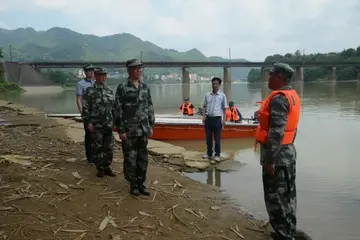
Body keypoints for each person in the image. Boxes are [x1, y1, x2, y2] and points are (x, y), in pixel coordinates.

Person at [255, 62, 301, 240]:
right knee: (288, 195)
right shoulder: (292, 95)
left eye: (271, 74)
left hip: (278, 156)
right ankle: (289, 231)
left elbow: (277, 131)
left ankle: (284, 235)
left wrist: (270, 160)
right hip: (288, 152)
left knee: (276, 199)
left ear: (280, 77)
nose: (268, 77)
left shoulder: (279, 98)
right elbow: (289, 126)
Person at [113, 58, 155, 197]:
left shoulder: (145, 87)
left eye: (140, 68)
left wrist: (151, 125)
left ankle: (141, 183)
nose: (139, 70)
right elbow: (117, 109)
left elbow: (150, 107)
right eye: (136, 68)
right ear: (129, 70)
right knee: (131, 159)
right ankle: (133, 184)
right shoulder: (122, 87)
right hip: (129, 130)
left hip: (143, 129)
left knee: (143, 159)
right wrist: (121, 130)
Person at [82, 67, 116, 178]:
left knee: (109, 148)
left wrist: (115, 121)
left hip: (108, 124)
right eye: (101, 75)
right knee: (97, 147)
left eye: (105, 75)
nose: (103, 77)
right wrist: (88, 123)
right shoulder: (90, 91)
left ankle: (107, 167)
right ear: (96, 76)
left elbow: (114, 108)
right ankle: (100, 168)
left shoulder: (109, 91)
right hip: (96, 124)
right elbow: (86, 108)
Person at [201, 77, 227, 161]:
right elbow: (204, 106)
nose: (214, 85)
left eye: (216, 84)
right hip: (208, 119)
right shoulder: (207, 95)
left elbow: (224, 108)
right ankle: (209, 154)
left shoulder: (222, 96)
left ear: (219, 85)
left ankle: (217, 155)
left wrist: (224, 120)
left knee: (217, 139)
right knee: (208, 138)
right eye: (213, 84)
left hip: (217, 120)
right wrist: (203, 116)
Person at [76, 64, 96, 163]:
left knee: (98, 135)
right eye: (89, 70)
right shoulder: (81, 84)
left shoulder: (97, 82)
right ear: (85, 72)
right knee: (89, 135)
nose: (91, 72)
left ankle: (97, 155)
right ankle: (90, 157)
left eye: (92, 70)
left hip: (98, 114)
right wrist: (82, 113)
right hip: (88, 113)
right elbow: (79, 100)